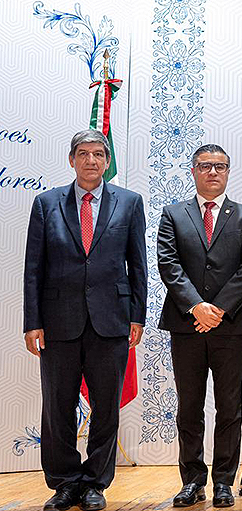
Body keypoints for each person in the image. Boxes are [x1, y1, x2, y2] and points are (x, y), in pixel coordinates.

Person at [23, 129, 146, 511]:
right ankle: (64, 483)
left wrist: (137, 315)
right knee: (57, 406)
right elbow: (33, 268)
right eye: (83, 154)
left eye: (98, 154)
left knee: (106, 407)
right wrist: (32, 321)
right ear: (71, 160)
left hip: (111, 321)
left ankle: (95, 483)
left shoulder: (129, 202)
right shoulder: (47, 203)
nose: (91, 160)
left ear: (107, 162)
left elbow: (137, 264)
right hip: (58, 322)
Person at [157, 144, 242, 508]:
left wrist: (216, 309)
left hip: (229, 326)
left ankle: (223, 482)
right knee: (189, 406)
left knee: (228, 406)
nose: (212, 172)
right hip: (186, 326)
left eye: (219, 166)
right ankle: (192, 480)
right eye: (205, 166)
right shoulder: (173, 214)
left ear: (228, 171)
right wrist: (196, 308)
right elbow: (168, 264)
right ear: (193, 170)